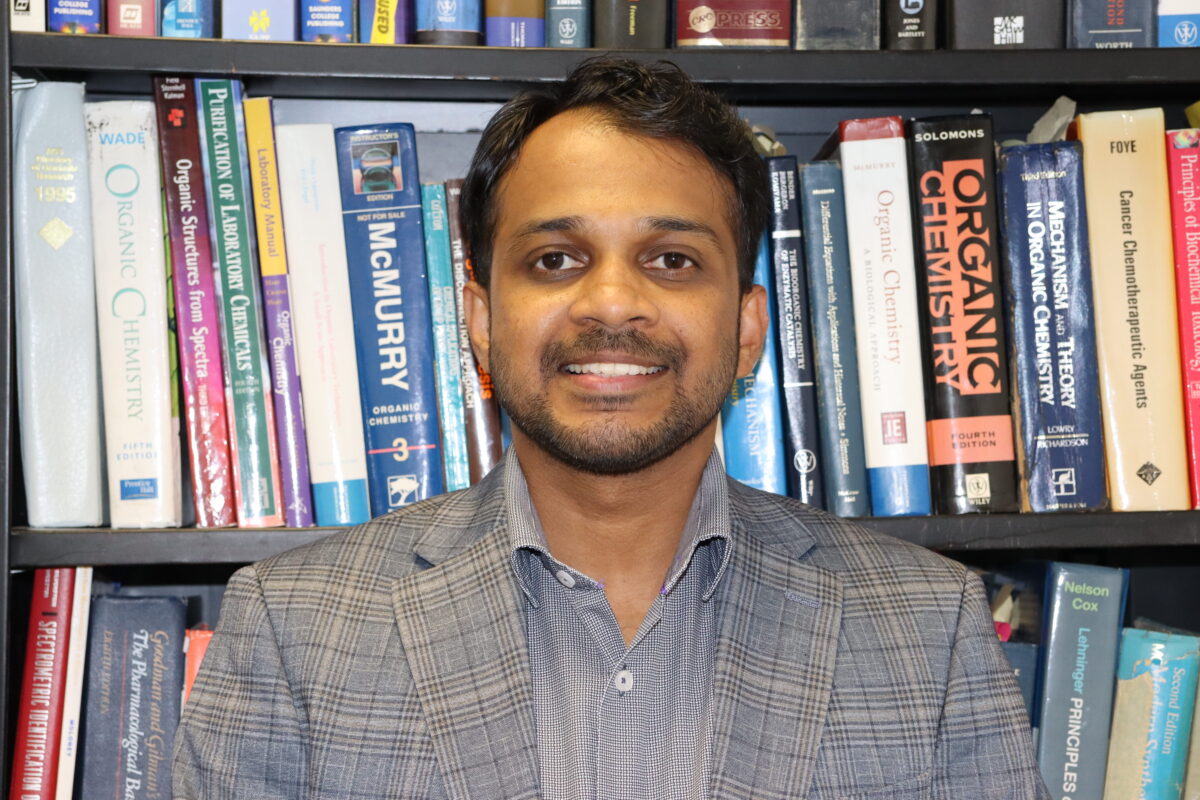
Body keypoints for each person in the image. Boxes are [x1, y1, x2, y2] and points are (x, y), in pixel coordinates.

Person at [173, 56, 1049, 799]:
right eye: (555, 260)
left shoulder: (928, 627)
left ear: (748, 328)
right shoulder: (291, 627)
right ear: (478, 318)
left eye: (672, 260)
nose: (613, 304)